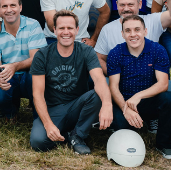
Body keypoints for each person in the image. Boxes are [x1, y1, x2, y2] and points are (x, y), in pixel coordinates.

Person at [30, 12, 111, 154]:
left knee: (98, 94)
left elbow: (98, 79)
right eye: (61, 28)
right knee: (38, 142)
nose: (66, 32)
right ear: (54, 30)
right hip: (53, 109)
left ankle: (77, 136)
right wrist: (48, 125)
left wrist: (107, 104)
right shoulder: (42, 55)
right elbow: (37, 94)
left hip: (78, 105)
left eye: (70, 28)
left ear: (77, 30)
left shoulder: (86, 51)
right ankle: (67, 133)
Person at [105, 15, 171, 159]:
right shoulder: (116, 53)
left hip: (147, 100)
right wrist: (125, 108)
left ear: (145, 31)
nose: (133, 34)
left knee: (170, 99)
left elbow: (163, 84)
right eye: (128, 30)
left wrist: (138, 96)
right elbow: (113, 87)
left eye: (137, 30)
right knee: (122, 127)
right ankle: (129, 127)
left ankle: (164, 144)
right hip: (124, 101)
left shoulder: (157, 50)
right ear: (122, 34)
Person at [94, 0, 171, 73]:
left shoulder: (152, 20)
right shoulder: (107, 29)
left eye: (130, 4)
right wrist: (115, 75)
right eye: (122, 5)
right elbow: (99, 59)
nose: (126, 9)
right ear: (117, 5)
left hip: (150, 79)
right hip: (118, 79)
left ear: (140, 4)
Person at [0, 0, 48, 120]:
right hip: (9, 75)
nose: (9, 10)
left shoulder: (33, 25)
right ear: (0, 10)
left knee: (37, 76)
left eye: (13, 5)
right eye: (4, 6)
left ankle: (39, 114)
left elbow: (36, 59)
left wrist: (15, 66)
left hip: (29, 73)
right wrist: (0, 80)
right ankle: (10, 112)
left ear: (20, 7)